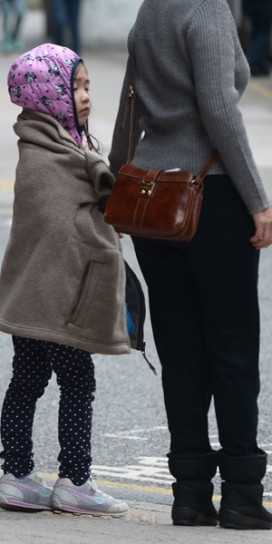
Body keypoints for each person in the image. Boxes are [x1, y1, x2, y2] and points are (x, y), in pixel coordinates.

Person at [108, 0, 272, 530]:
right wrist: (258, 201)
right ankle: (244, 494)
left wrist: (117, 179)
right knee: (232, 347)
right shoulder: (205, 9)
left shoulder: (152, 9)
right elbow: (220, 109)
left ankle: (191, 494)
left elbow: (130, 103)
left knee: (181, 350)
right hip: (211, 193)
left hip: (154, 198)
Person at [0, 43, 129, 517]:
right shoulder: (55, 153)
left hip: (31, 294)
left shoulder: (49, 142)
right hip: (57, 295)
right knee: (76, 383)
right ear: (49, 94)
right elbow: (60, 228)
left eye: (88, 85)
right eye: (76, 86)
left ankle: (17, 476)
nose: (86, 94)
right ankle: (74, 479)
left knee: (26, 380)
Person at [243, 0, 272, 76]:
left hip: (251, 3)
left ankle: (256, 60)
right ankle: (254, 60)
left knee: (256, 31)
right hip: (263, 3)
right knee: (263, 33)